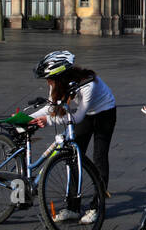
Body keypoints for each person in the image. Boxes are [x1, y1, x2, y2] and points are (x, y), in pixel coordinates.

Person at [30, 50, 116, 219]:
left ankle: (97, 207)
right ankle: (73, 207)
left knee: (99, 158)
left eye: (50, 79)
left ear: (60, 77)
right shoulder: (57, 84)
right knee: (73, 158)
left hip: (104, 113)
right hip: (86, 116)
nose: (48, 82)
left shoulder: (87, 84)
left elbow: (77, 117)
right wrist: (26, 117)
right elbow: (51, 107)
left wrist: (48, 121)